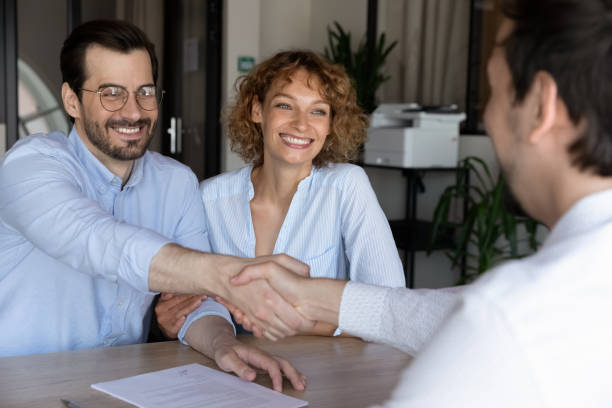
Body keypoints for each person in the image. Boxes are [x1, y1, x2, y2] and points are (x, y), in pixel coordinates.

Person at [223, 0, 612, 405]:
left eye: (493, 92)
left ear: (541, 107)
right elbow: (428, 313)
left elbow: (479, 319)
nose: (488, 115)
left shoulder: (508, 317)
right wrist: (308, 300)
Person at [0, 19, 308, 392]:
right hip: (19, 386)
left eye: (144, 92)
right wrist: (229, 275)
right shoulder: (29, 165)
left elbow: (195, 304)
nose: (133, 112)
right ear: (71, 100)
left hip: (123, 387)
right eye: (111, 93)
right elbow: (97, 240)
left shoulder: (176, 182)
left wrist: (223, 344)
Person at [158, 50, 408, 338]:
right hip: (232, 366)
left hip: (323, 371)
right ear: (256, 110)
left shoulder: (346, 186)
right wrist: (173, 321)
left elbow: (389, 307)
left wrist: (307, 325)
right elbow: (184, 306)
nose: (301, 124)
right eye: (285, 106)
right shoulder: (209, 198)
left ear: (330, 125)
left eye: (318, 111)